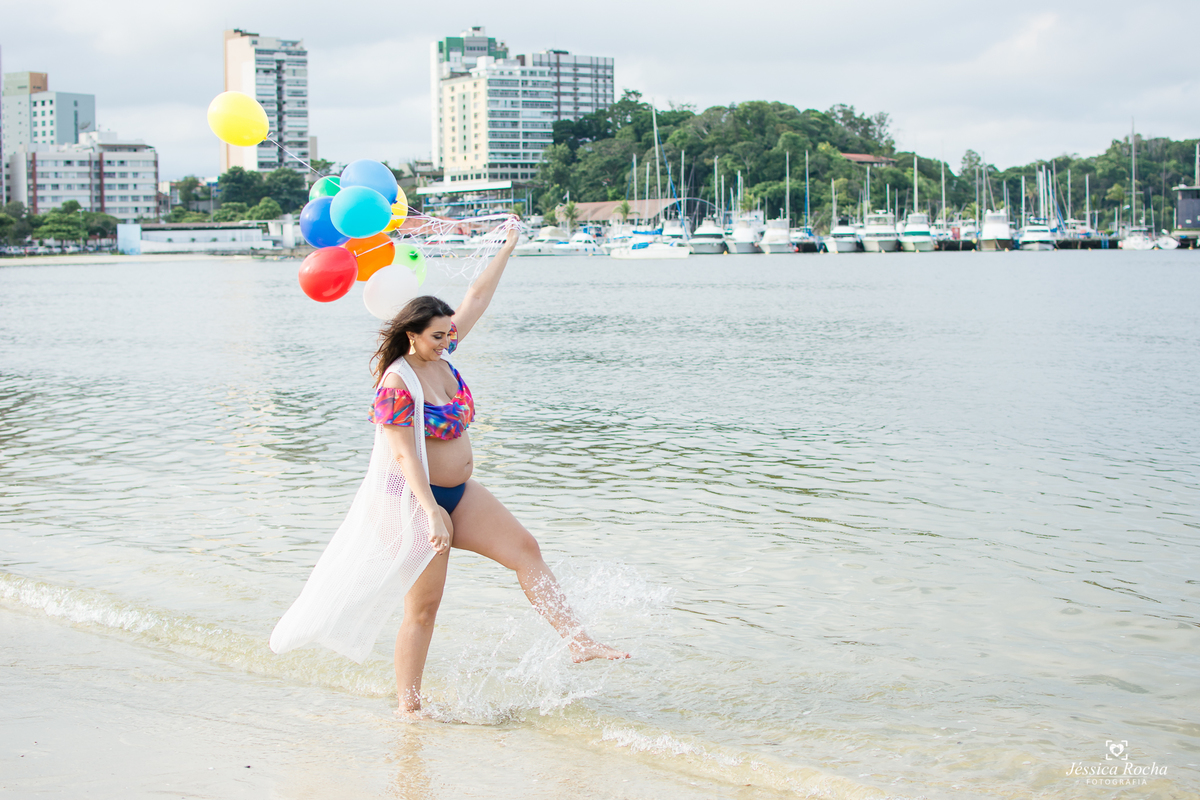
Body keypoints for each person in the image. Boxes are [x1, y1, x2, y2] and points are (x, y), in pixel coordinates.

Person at [271, 223, 628, 717]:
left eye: (448, 334)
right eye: (437, 336)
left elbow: (477, 297)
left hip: (459, 490)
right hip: (413, 502)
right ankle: (408, 707)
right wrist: (431, 514)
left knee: (526, 549)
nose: (447, 340)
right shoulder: (397, 383)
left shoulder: (442, 356)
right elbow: (403, 456)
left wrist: (507, 248)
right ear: (411, 335)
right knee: (424, 608)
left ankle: (579, 640)